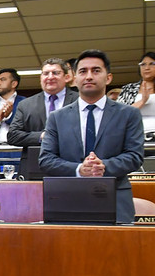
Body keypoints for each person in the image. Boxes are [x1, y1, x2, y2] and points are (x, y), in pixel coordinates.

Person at [40, 49, 144, 223]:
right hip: (67, 200)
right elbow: (46, 159)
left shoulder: (129, 114)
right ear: (74, 78)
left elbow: (134, 156)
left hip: (116, 198)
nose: (89, 76)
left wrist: (103, 167)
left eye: (96, 71)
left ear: (108, 77)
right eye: (82, 71)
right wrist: (79, 169)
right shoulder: (57, 117)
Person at [8, 58, 79, 179]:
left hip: (71, 167)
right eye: (46, 73)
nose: (50, 77)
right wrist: (42, 136)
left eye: (56, 73)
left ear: (67, 77)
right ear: (41, 78)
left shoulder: (79, 101)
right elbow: (13, 136)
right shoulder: (26, 104)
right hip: (33, 167)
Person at [117, 52, 155, 140]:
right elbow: (119, 114)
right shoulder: (128, 89)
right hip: (134, 137)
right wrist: (142, 101)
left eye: (152, 64)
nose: (147, 68)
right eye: (143, 64)